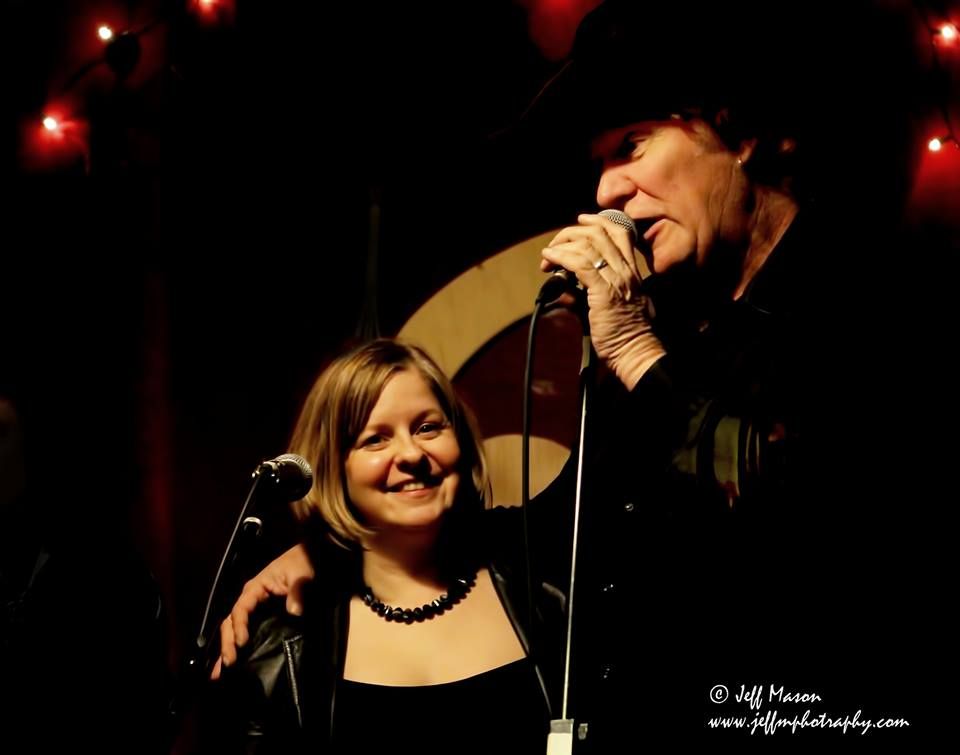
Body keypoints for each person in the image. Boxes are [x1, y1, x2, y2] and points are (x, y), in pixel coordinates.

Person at [214, 0, 929, 747]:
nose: (607, 192)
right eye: (600, 166)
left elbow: (801, 502)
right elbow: (561, 531)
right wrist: (351, 553)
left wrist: (636, 353)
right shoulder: (675, 323)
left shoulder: (873, 297)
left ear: (739, 135)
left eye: (633, 146)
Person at [203, 339, 571, 752]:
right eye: (375, 439)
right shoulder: (285, 641)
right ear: (333, 468)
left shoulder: (540, 586)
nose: (411, 454)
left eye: (428, 427)